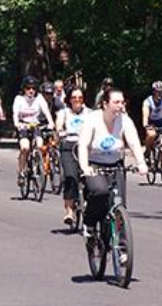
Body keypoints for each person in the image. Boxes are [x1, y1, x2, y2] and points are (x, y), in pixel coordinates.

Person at [77, 88, 148, 232]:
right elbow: (83, 144)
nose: (120, 106)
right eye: (116, 102)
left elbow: (134, 142)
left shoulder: (125, 120)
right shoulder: (93, 119)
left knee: (118, 203)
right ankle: (89, 224)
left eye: (122, 102)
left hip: (116, 164)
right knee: (100, 192)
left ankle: (119, 246)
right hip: (94, 163)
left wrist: (141, 162)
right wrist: (85, 167)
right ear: (105, 104)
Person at [55, 86, 91, 226]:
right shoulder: (64, 113)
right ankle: (69, 211)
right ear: (69, 99)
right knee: (70, 177)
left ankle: (89, 204)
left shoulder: (89, 113)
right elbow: (59, 125)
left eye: (80, 98)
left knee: (90, 177)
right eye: (74, 98)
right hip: (69, 147)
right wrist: (60, 131)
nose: (77, 100)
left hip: (86, 147)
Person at [13, 76, 55, 186]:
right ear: (24, 89)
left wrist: (51, 122)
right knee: (25, 147)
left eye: (33, 88)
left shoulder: (39, 98)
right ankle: (22, 172)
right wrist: (17, 123)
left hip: (36, 125)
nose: (31, 90)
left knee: (40, 145)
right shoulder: (19, 99)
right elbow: (15, 113)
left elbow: (46, 111)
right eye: (28, 88)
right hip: (23, 125)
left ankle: (37, 167)